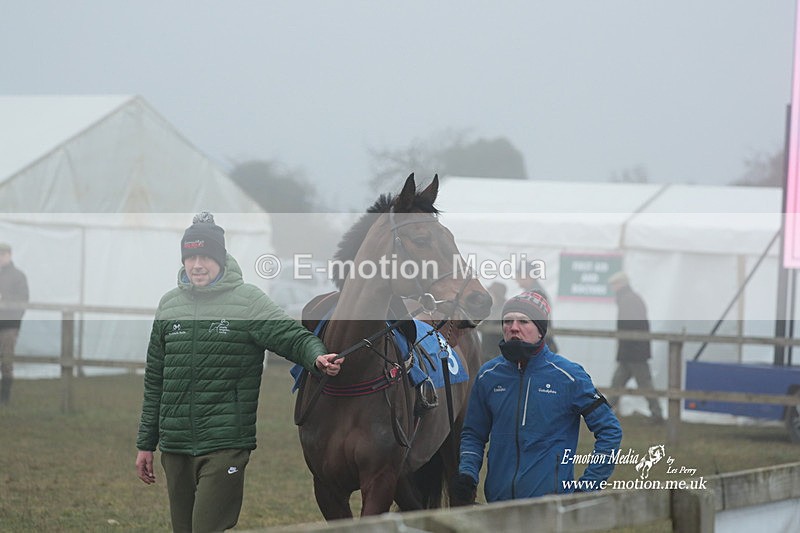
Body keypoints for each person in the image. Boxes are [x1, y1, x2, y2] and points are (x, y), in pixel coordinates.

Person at [135, 212, 342, 533]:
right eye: (190, 257)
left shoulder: (248, 302)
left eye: (205, 256)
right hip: (175, 446)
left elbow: (292, 336)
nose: (197, 265)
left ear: (221, 258)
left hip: (224, 444)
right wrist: (146, 443)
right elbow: (155, 379)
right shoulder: (169, 305)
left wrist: (316, 357)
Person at [453, 290, 621, 504]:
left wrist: (588, 487)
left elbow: (610, 430)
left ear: (541, 330)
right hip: (497, 505)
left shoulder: (569, 376)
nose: (513, 327)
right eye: (508, 321)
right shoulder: (488, 376)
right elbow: (473, 434)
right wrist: (467, 475)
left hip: (550, 508)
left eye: (524, 321)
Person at [607, 271, 664, 423]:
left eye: (614, 284)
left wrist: (626, 347)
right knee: (619, 382)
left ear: (621, 284)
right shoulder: (630, 298)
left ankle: (657, 413)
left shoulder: (628, 300)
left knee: (641, 383)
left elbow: (631, 326)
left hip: (633, 351)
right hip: (633, 350)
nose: (613, 287)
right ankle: (604, 413)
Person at [0, 243, 29, 406]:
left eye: (2, 255)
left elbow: (23, 301)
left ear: (9, 255)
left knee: (6, 361)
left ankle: (4, 398)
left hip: (9, 325)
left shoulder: (18, 277)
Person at [516, 260, 558, 353]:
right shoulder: (533, 292)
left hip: (537, 345)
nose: (516, 279)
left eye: (519, 276)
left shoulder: (534, 294)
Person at [479, 281, 506, 361]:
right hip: (486, 353)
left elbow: (507, 329)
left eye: (491, 292)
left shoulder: (505, 310)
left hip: (498, 354)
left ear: (497, 295)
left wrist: (487, 328)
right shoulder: (491, 309)